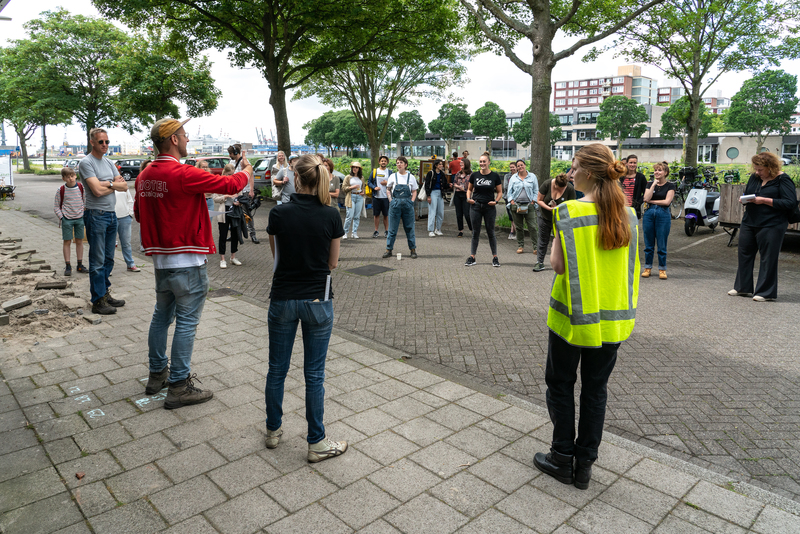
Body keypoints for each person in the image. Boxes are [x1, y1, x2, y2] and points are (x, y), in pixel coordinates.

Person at [534, 143, 639, 490]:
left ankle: (562, 458)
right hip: (612, 321)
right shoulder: (630, 214)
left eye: (575, 165)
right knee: (596, 391)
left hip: (572, 319)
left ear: (590, 173)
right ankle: (585, 467)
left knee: (561, 385)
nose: (571, 171)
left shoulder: (569, 211)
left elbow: (558, 266)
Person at [135, 117, 252, 409]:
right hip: (187, 259)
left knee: (161, 316)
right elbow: (229, 183)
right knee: (187, 322)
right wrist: (246, 170)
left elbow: (139, 214)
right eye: (185, 135)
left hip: (160, 261)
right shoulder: (183, 173)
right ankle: (179, 385)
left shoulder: (144, 175)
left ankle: (156, 373)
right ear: (173, 139)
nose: (188, 139)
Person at [265, 154, 348, 463]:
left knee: (277, 369)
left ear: (295, 178)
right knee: (314, 374)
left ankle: (273, 430)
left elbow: (277, 257)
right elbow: (333, 263)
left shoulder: (279, 213)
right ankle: (316, 442)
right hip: (318, 299)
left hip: (283, 297)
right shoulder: (331, 215)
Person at [729, 152, 797, 301]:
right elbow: (748, 192)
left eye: (760, 169)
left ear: (771, 167)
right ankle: (742, 288)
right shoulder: (755, 177)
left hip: (772, 223)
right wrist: (744, 199)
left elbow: (790, 202)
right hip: (750, 221)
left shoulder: (782, 180)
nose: (757, 172)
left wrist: (764, 200)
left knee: (768, 257)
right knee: (744, 253)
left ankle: (765, 292)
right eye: (756, 169)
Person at [78, 128, 129, 315]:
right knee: (97, 260)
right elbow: (96, 191)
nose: (105, 145)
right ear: (92, 142)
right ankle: (97, 300)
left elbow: (124, 186)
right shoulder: (86, 163)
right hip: (96, 215)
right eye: (101, 142)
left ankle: (104, 293)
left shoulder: (108, 162)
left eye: (107, 141)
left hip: (111, 214)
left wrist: (106, 183)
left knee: (109, 258)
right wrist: (112, 185)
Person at [465, 152, 503, 267]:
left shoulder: (494, 176)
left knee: (490, 232)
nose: (482, 163)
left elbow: (500, 191)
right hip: (476, 206)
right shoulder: (474, 175)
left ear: (489, 162)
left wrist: (496, 201)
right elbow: (469, 189)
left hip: (489, 207)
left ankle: (495, 257)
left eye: (484, 161)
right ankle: (472, 257)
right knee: (475, 232)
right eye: (480, 161)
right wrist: (468, 199)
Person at [533, 173, 575, 272]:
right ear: (555, 183)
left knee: (561, 240)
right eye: (558, 188)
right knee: (543, 239)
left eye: (562, 189)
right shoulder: (547, 184)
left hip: (561, 219)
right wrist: (549, 208)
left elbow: (572, 206)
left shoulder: (569, 189)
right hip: (544, 216)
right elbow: (539, 200)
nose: (560, 190)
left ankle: (563, 263)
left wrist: (559, 210)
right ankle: (539, 262)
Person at [642, 162, 675, 280]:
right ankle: (647, 268)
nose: (657, 172)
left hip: (663, 214)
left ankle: (662, 269)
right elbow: (646, 198)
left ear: (665, 173)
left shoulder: (670, 186)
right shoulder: (650, 184)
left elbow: (667, 202)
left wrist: (652, 202)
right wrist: (653, 185)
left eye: (660, 170)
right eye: (655, 170)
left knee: (661, 244)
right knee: (648, 244)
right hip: (649, 214)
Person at [54, 167, 88, 277]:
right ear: (63, 178)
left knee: (79, 241)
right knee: (67, 242)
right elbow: (56, 206)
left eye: (72, 176)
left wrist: (83, 212)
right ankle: (68, 265)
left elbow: (84, 201)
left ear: (75, 176)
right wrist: (62, 217)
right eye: (68, 177)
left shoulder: (81, 187)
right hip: (67, 219)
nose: (71, 179)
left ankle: (80, 264)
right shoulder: (61, 190)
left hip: (79, 218)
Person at [382, 156, 418, 259]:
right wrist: (391, 200)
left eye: (401, 162)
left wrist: (411, 202)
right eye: (397, 162)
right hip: (395, 204)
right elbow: (388, 189)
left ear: (405, 164)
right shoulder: (393, 176)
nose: (399, 164)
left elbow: (414, 191)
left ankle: (413, 250)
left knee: (410, 228)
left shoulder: (411, 177)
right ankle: (388, 250)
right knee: (392, 229)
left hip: (408, 204)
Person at [213, 164, 244, 268]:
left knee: (235, 234)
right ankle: (222, 259)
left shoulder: (236, 182)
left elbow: (242, 197)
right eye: (229, 175)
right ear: (224, 173)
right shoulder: (220, 183)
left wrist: (239, 202)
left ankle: (233, 257)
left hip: (234, 211)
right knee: (223, 234)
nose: (231, 177)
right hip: (224, 211)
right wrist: (225, 196)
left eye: (233, 174)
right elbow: (215, 198)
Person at [228, 143, 259, 244]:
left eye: (231, 153)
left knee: (247, 213)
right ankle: (235, 234)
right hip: (235, 192)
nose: (229, 155)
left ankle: (253, 235)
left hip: (244, 191)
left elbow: (251, 175)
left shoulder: (244, 162)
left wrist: (251, 190)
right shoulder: (232, 161)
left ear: (236, 153)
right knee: (235, 213)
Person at [507, 159, 539, 254]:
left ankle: (536, 247)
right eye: (518, 166)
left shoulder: (532, 176)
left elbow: (536, 190)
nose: (520, 167)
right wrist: (511, 201)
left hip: (529, 205)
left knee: (532, 226)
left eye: (521, 165)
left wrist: (534, 201)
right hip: (516, 205)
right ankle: (520, 246)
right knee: (519, 227)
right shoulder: (513, 178)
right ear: (516, 168)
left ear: (525, 165)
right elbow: (509, 191)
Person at [114, 177, 139, 272]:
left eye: (122, 177)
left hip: (125, 217)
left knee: (126, 243)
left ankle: (130, 263)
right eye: (119, 178)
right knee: (110, 243)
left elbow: (130, 201)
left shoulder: (125, 188)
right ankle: (108, 266)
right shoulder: (111, 188)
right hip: (113, 217)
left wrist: (129, 214)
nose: (121, 179)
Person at [424, 159, 449, 236]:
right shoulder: (430, 173)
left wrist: (449, 185)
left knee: (440, 212)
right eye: (440, 164)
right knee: (432, 211)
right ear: (436, 165)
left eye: (442, 164)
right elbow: (427, 185)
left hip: (440, 193)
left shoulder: (442, 174)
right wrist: (428, 196)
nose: (441, 166)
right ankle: (430, 230)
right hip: (433, 193)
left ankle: (438, 229)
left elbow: (444, 184)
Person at [368, 155, 391, 238]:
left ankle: (386, 231)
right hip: (376, 197)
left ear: (387, 162)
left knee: (386, 215)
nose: (383, 162)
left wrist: (387, 183)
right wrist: (374, 187)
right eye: (382, 161)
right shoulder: (375, 171)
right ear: (379, 162)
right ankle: (376, 231)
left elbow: (394, 183)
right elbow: (369, 182)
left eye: (385, 161)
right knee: (376, 215)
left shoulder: (390, 172)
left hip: (386, 197)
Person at [619, 154, 647, 219]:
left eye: (634, 163)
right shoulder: (621, 177)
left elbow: (646, 192)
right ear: (627, 163)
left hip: (634, 209)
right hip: (621, 208)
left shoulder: (641, 177)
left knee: (633, 228)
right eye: (630, 162)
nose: (632, 165)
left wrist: (638, 202)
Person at [342, 161, 365, 239]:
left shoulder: (361, 178)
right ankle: (345, 232)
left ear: (359, 169)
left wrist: (363, 192)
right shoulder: (348, 177)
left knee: (357, 216)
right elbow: (343, 188)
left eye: (356, 167)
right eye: (353, 167)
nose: (355, 169)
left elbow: (363, 188)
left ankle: (354, 232)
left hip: (359, 197)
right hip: (351, 196)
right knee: (349, 215)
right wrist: (352, 187)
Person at [451, 159, 473, 237]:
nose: (460, 165)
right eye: (460, 164)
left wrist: (467, 190)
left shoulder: (471, 174)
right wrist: (458, 186)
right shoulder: (458, 173)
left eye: (462, 164)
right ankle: (460, 230)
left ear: (466, 164)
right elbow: (454, 183)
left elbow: (473, 186)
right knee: (458, 213)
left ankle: (472, 229)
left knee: (467, 213)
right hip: (458, 194)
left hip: (466, 194)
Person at [503, 161, 518, 240]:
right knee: (511, 215)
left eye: (513, 167)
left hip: (517, 198)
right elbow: (506, 187)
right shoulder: (507, 176)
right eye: (511, 167)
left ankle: (513, 232)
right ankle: (514, 232)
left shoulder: (519, 175)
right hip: (508, 197)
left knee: (515, 215)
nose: (512, 169)